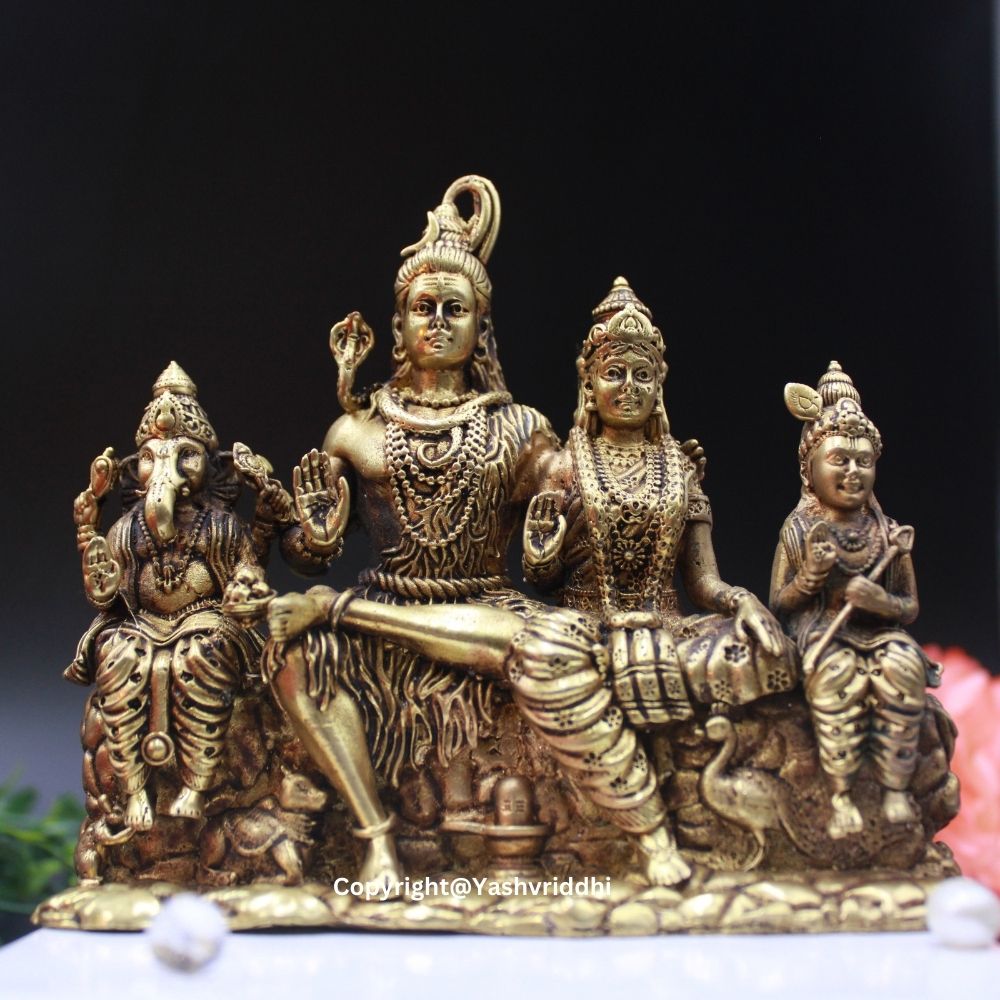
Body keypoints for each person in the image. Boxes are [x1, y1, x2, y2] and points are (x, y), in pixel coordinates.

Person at [266, 176, 557, 891]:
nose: (438, 322)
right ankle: (376, 838)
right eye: (423, 308)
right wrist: (317, 535)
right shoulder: (356, 430)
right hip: (382, 609)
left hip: (484, 608)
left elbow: (555, 560)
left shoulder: (521, 430)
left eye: (456, 309)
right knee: (295, 656)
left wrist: (554, 540)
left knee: (555, 651)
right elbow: (308, 558)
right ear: (398, 326)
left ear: (480, 326)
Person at [516, 279, 797, 883]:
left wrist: (743, 602)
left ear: (660, 384)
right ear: (589, 383)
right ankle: (628, 819)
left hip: (669, 626)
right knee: (556, 662)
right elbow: (540, 579)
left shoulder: (680, 469)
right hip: (587, 628)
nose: (629, 388)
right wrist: (543, 551)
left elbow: (704, 582)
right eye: (614, 373)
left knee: (766, 653)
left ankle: (710, 806)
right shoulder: (564, 467)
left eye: (643, 376)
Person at [68, 363, 267, 830]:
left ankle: (197, 785)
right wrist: (88, 538)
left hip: (204, 618)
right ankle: (135, 790)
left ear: (211, 466)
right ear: (135, 469)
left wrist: (247, 591)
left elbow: (246, 573)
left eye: (186, 456)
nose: (167, 470)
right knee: (115, 654)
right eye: (152, 457)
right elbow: (109, 596)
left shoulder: (221, 526)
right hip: (141, 623)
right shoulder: (126, 530)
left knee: (204, 655)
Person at [770, 361, 937, 839]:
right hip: (823, 633)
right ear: (809, 470)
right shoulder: (799, 530)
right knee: (836, 676)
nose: (852, 472)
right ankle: (841, 795)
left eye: (864, 461)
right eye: (839, 460)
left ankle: (894, 788)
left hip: (879, 634)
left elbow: (909, 608)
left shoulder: (887, 533)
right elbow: (779, 603)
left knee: (903, 668)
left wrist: (880, 602)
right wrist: (810, 578)